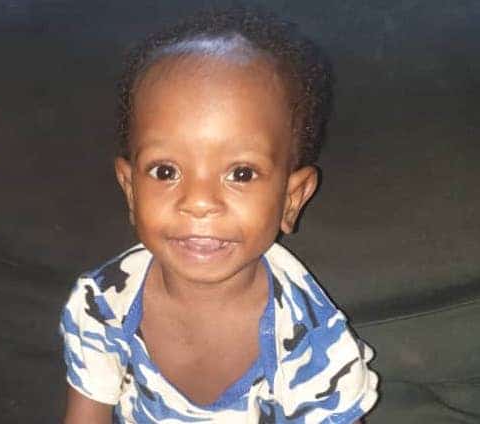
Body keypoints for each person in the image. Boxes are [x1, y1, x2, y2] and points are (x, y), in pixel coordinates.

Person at [60, 7, 379, 423]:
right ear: (131, 189)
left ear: (291, 198)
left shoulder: (309, 338)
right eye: (166, 171)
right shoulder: (103, 302)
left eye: (241, 173)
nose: (199, 201)